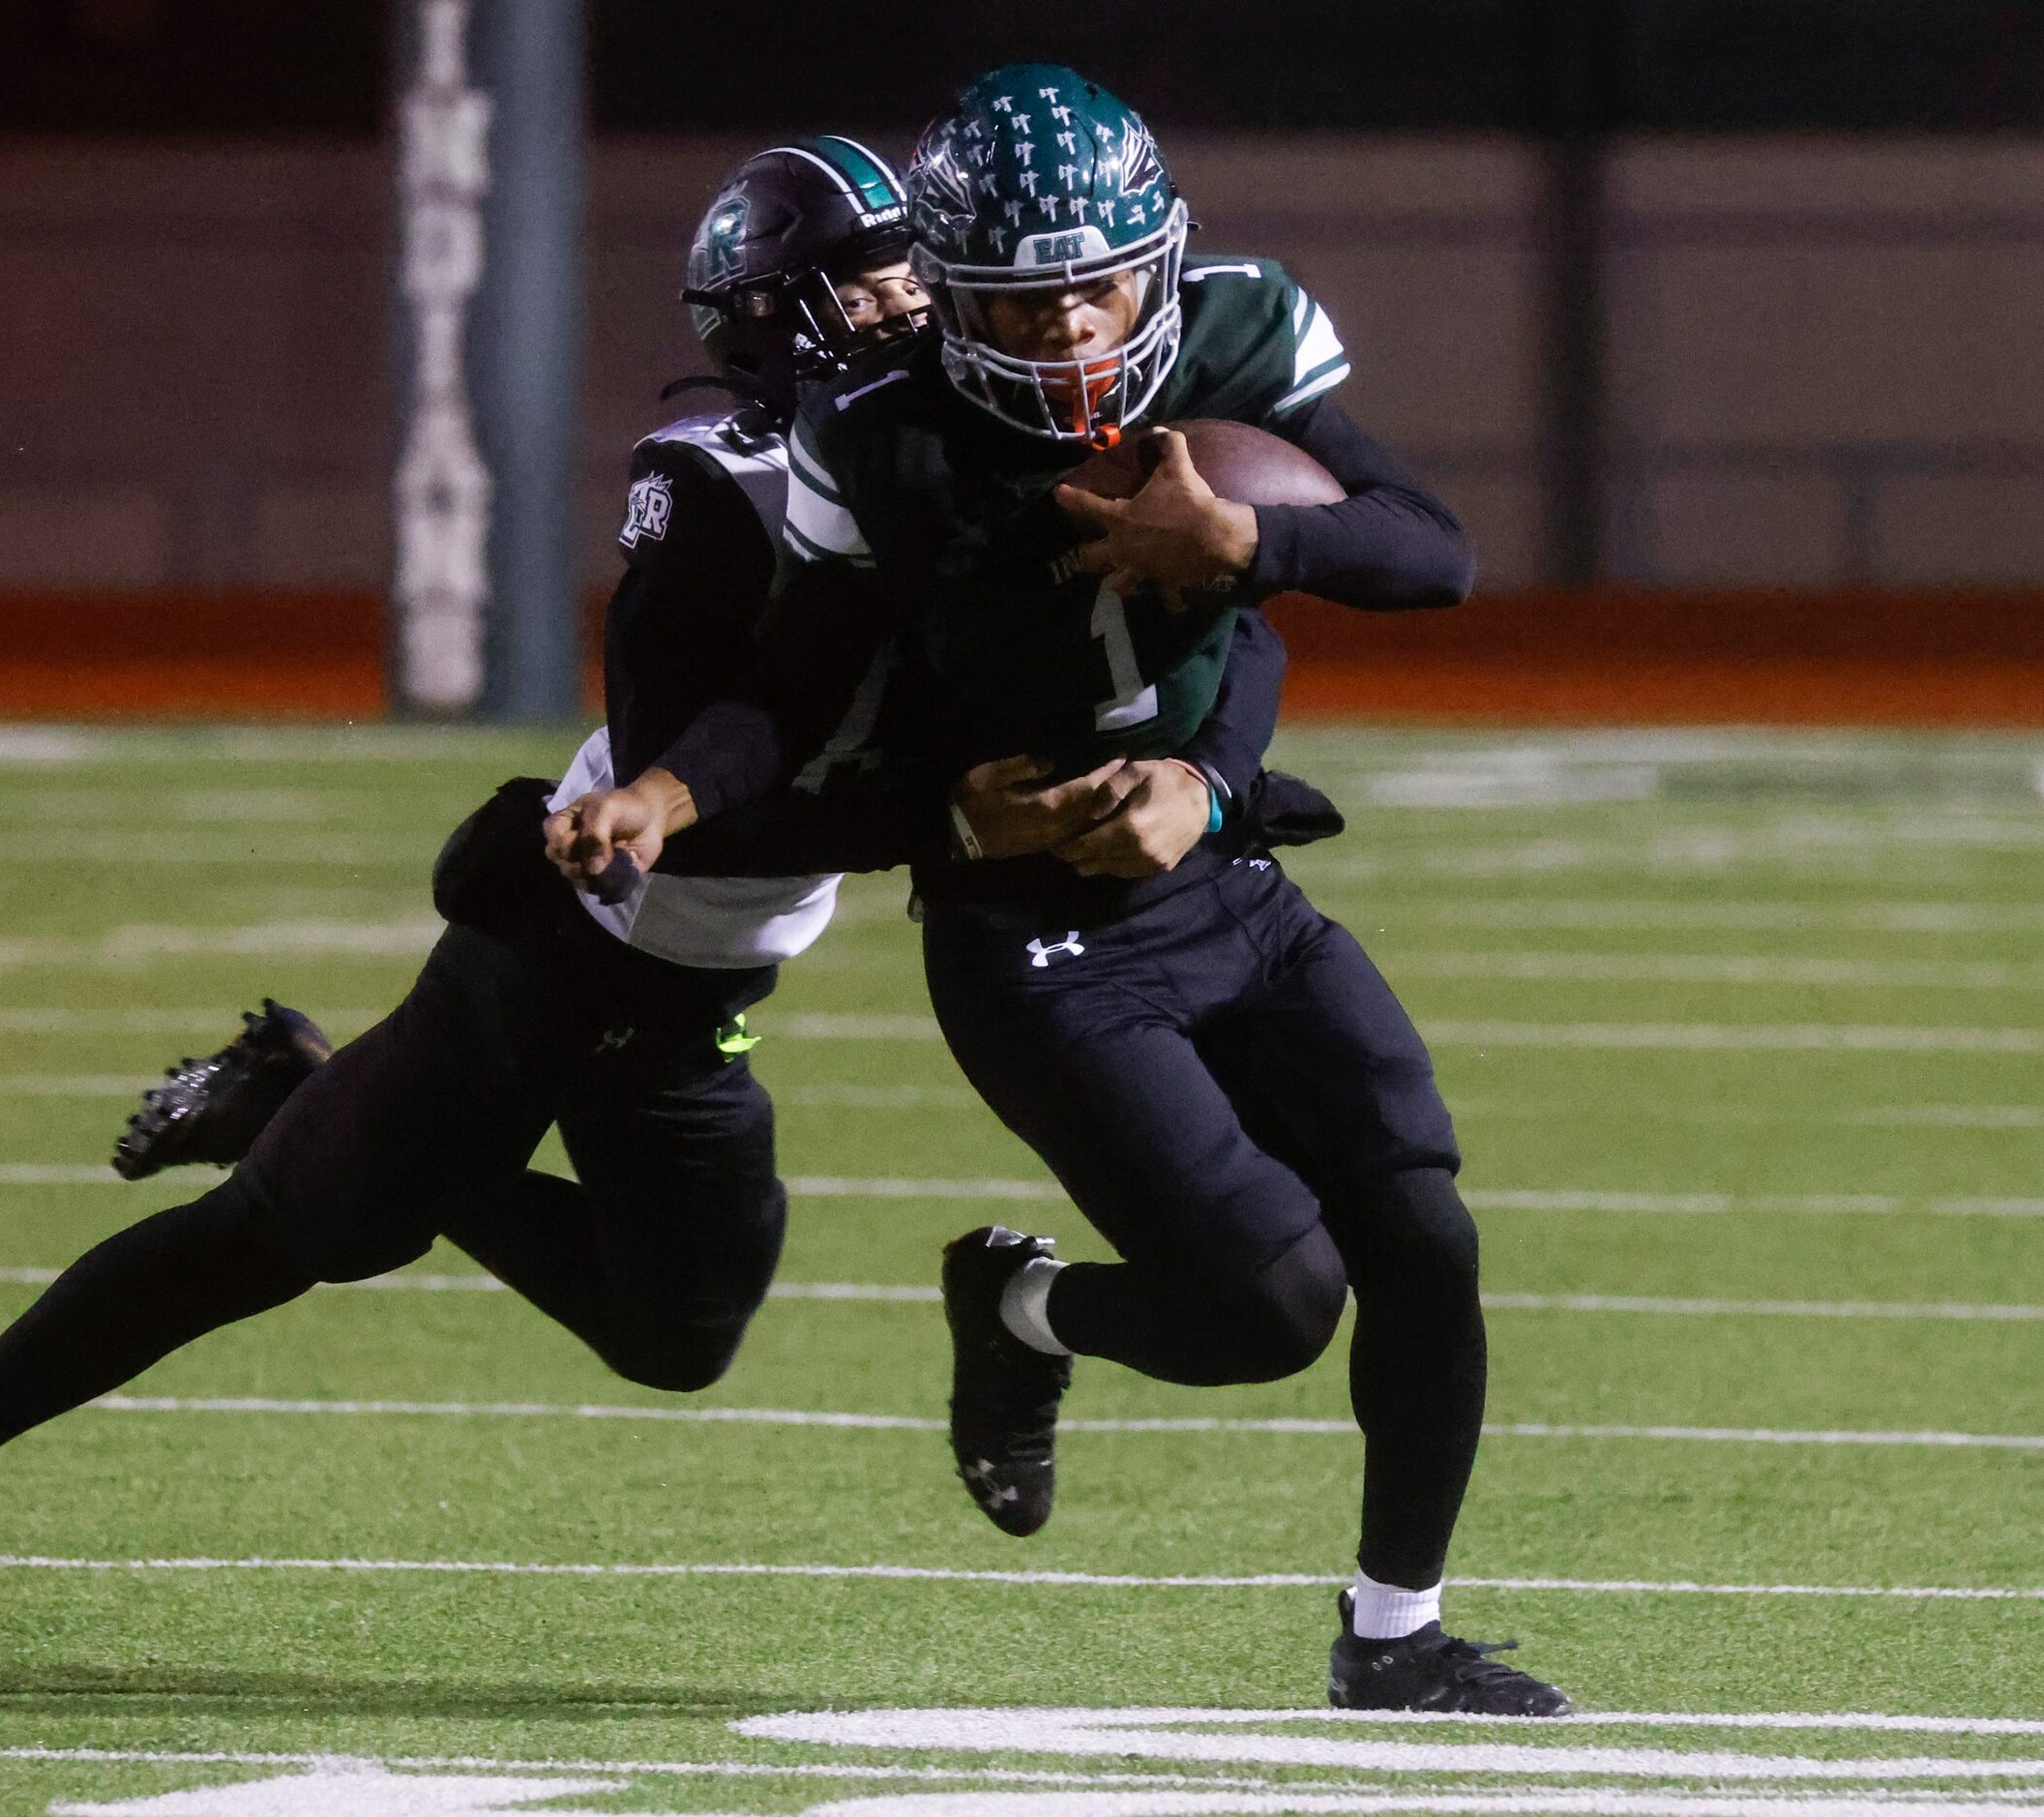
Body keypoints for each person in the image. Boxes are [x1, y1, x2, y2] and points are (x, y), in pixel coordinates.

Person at [0, 134, 1279, 1681]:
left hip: (697, 990)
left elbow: (1217, 618)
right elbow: (668, 779)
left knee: (678, 1328)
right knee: (287, 1234)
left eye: (919, 274)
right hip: (575, 948)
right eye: (873, 284)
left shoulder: (976, 444)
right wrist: (939, 821)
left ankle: (299, 1087)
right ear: (772, 317)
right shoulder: (719, 483)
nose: (914, 310)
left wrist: (1209, 764)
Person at [549, 65, 1571, 1716]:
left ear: (1161, 259)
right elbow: (798, 682)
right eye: (1025, 305)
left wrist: (1244, 559)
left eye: (1101, 285)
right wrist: (666, 787)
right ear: (950, 296)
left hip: (1218, 871)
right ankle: (1019, 1309)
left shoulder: (1237, 334)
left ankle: (1396, 1637)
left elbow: (1428, 550)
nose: (1077, 332)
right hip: (1031, 931)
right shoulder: (879, 437)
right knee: (1268, 1305)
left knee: (1421, 1228)